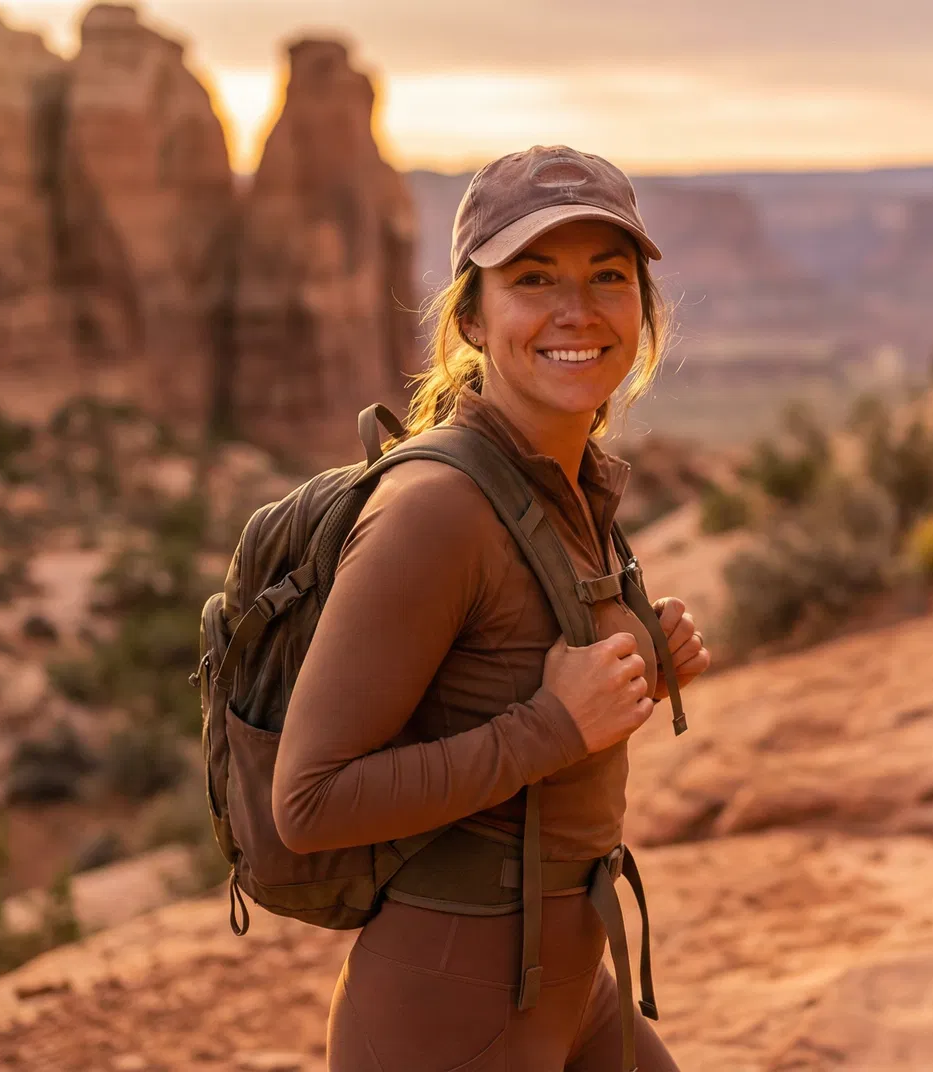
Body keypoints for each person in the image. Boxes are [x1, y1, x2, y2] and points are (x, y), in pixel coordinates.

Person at [273, 145, 712, 1072]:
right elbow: (307, 803)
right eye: (533, 278)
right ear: (472, 315)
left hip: (570, 987)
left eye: (609, 276)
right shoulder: (436, 508)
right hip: (449, 1016)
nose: (577, 311)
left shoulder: (564, 476)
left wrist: (640, 652)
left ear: (643, 305)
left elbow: (503, 660)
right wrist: (552, 726)